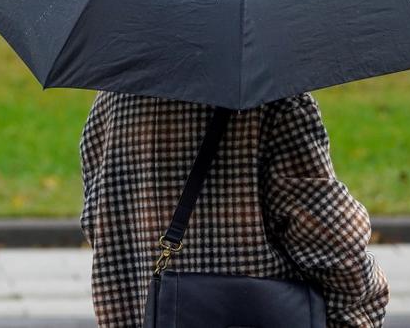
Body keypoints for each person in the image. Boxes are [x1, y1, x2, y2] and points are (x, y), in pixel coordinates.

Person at [80, 90, 389, 327]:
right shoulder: (275, 98)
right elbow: (330, 237)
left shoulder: (112, 100)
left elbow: (98, 221)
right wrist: (365, 299)